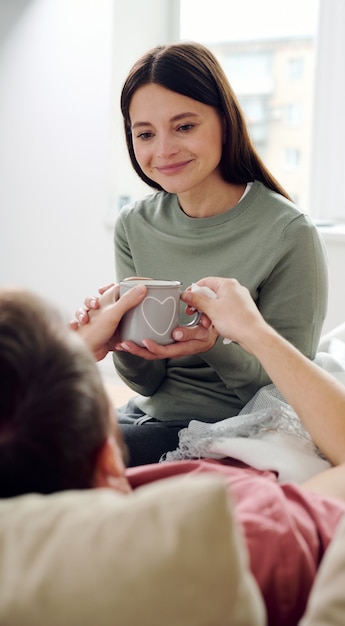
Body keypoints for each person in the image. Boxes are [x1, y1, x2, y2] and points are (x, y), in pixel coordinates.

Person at [0, 278, 345, 624]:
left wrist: (71, 355)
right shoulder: (235, 542)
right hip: (296, 441)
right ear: (109, 461)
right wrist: (254, 331)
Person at [75, 41, 329, 464]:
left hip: (234, 429)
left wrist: (212, 343)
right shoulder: (133, 226)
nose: (163, 150)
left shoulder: (288, 233)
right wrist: (121, 341)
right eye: (145, 134)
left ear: (224, 122)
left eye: (185, 126)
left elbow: (288, 392)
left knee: (53, 461)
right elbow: (149, 384)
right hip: (145, 418)